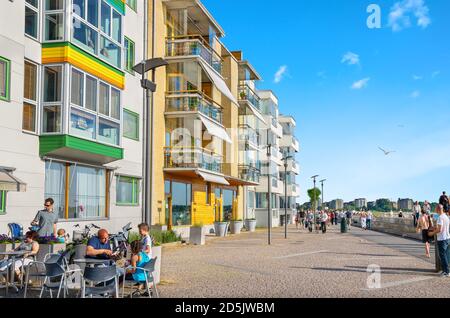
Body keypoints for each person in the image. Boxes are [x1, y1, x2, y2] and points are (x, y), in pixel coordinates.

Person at [428, 204, 450, 276]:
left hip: (442, 239)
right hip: (447, 238)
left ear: (438, 209)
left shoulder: (440, 217)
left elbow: (439, 230)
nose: (435, 210)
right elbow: (441, 228)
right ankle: (446, 270)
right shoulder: (446, 217)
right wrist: (435, 228)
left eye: (435, 209)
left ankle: (446, 272)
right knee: (446, 255)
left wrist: (432, 233)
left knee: (443, 256)